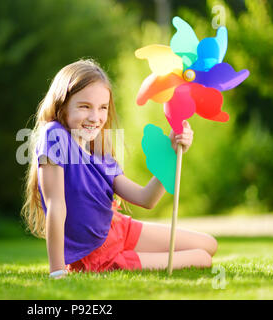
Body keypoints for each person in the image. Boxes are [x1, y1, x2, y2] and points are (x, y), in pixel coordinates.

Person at [21, 59, 217, 279]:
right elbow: (55, 204)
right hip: (100, 254)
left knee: (209, 244)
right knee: (203, 258)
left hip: (120, 230)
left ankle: (135, 254)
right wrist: (57, 270)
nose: (95, 118)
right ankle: (129, 259)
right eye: (85, 106)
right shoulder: (54, 135)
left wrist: (170, 154)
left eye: (102, 108)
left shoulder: (100, 155)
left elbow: (146, 199)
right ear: (62, 105)